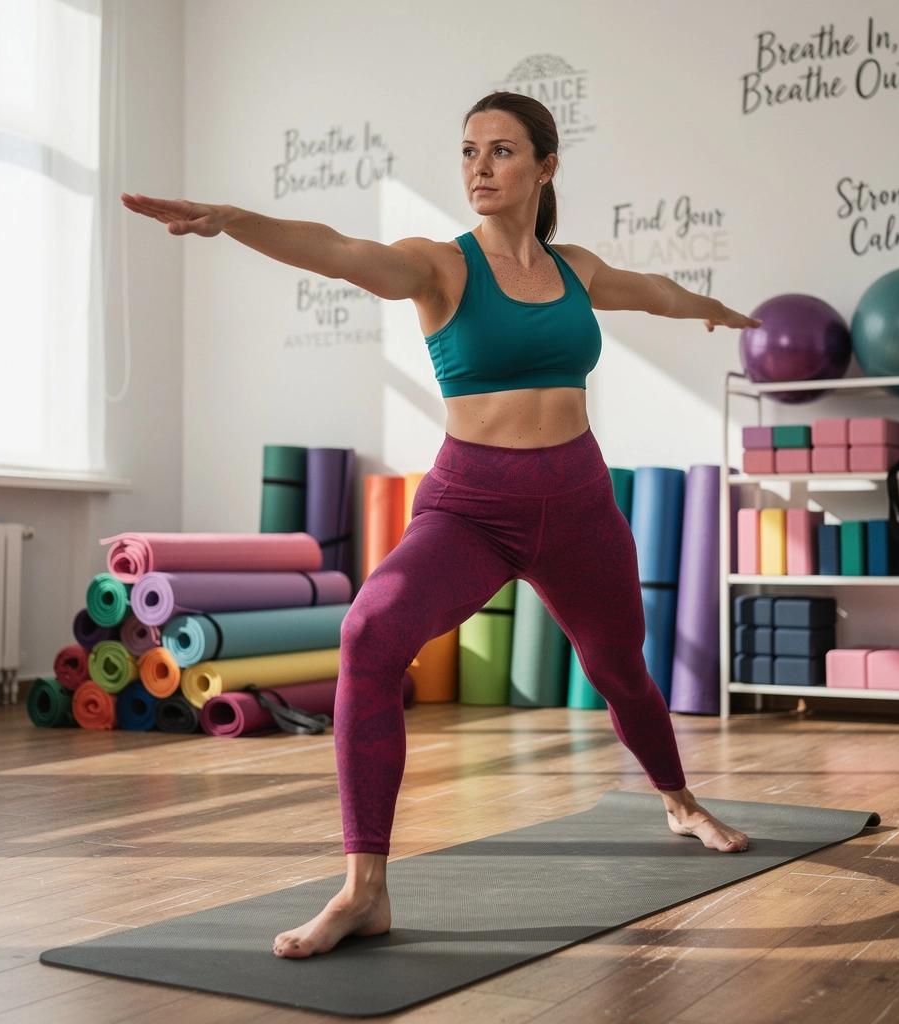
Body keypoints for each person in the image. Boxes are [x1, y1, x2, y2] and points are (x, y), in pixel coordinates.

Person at [121, 90, 762, 961]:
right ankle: (365, 888)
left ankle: (680, 801)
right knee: (371, 631)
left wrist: (713, 312)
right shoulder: (439, 266)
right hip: (473, 509)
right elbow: (342, 252)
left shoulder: (576, 268)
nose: (479, 168)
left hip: (579, 505)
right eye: (468, 151)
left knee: (621, 670)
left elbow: (653, 292)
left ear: (545, 165)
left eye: (501, 151)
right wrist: (234, 219)